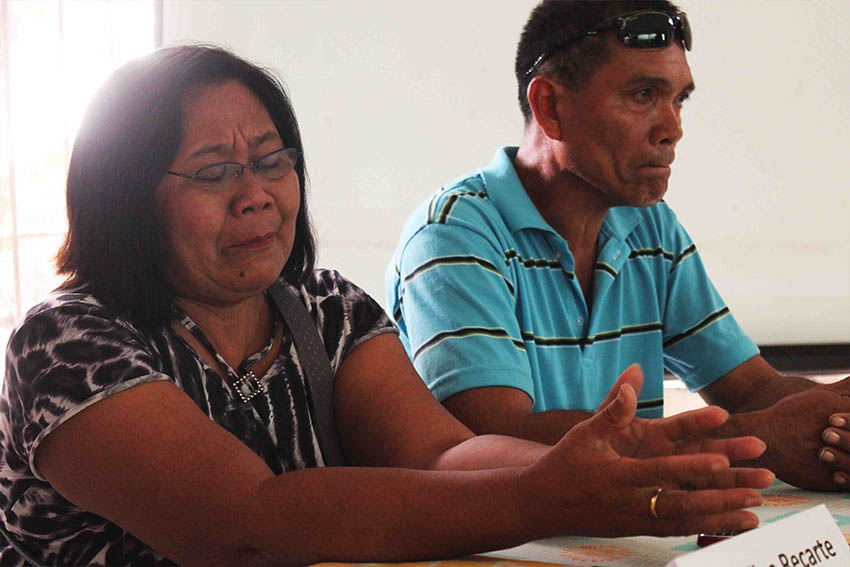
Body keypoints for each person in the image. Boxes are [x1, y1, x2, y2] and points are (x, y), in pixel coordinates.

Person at [0, 45, 772, 566]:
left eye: (273, 160)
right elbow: (243, 524)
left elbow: (440, 453)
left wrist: (600, 465)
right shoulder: (68, 342)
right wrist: (542, 496)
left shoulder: (326, 307)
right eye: (214, 172)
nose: (257, 195)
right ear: (125, 198)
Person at [387, 0, 850, 493]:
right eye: (643, 94)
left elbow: (753, 387)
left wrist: (835, 420)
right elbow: (498, 436)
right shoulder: (453, 234)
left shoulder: (649, 226)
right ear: (549, 107)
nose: (673, 128)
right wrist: (761, 436)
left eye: (679, 100)